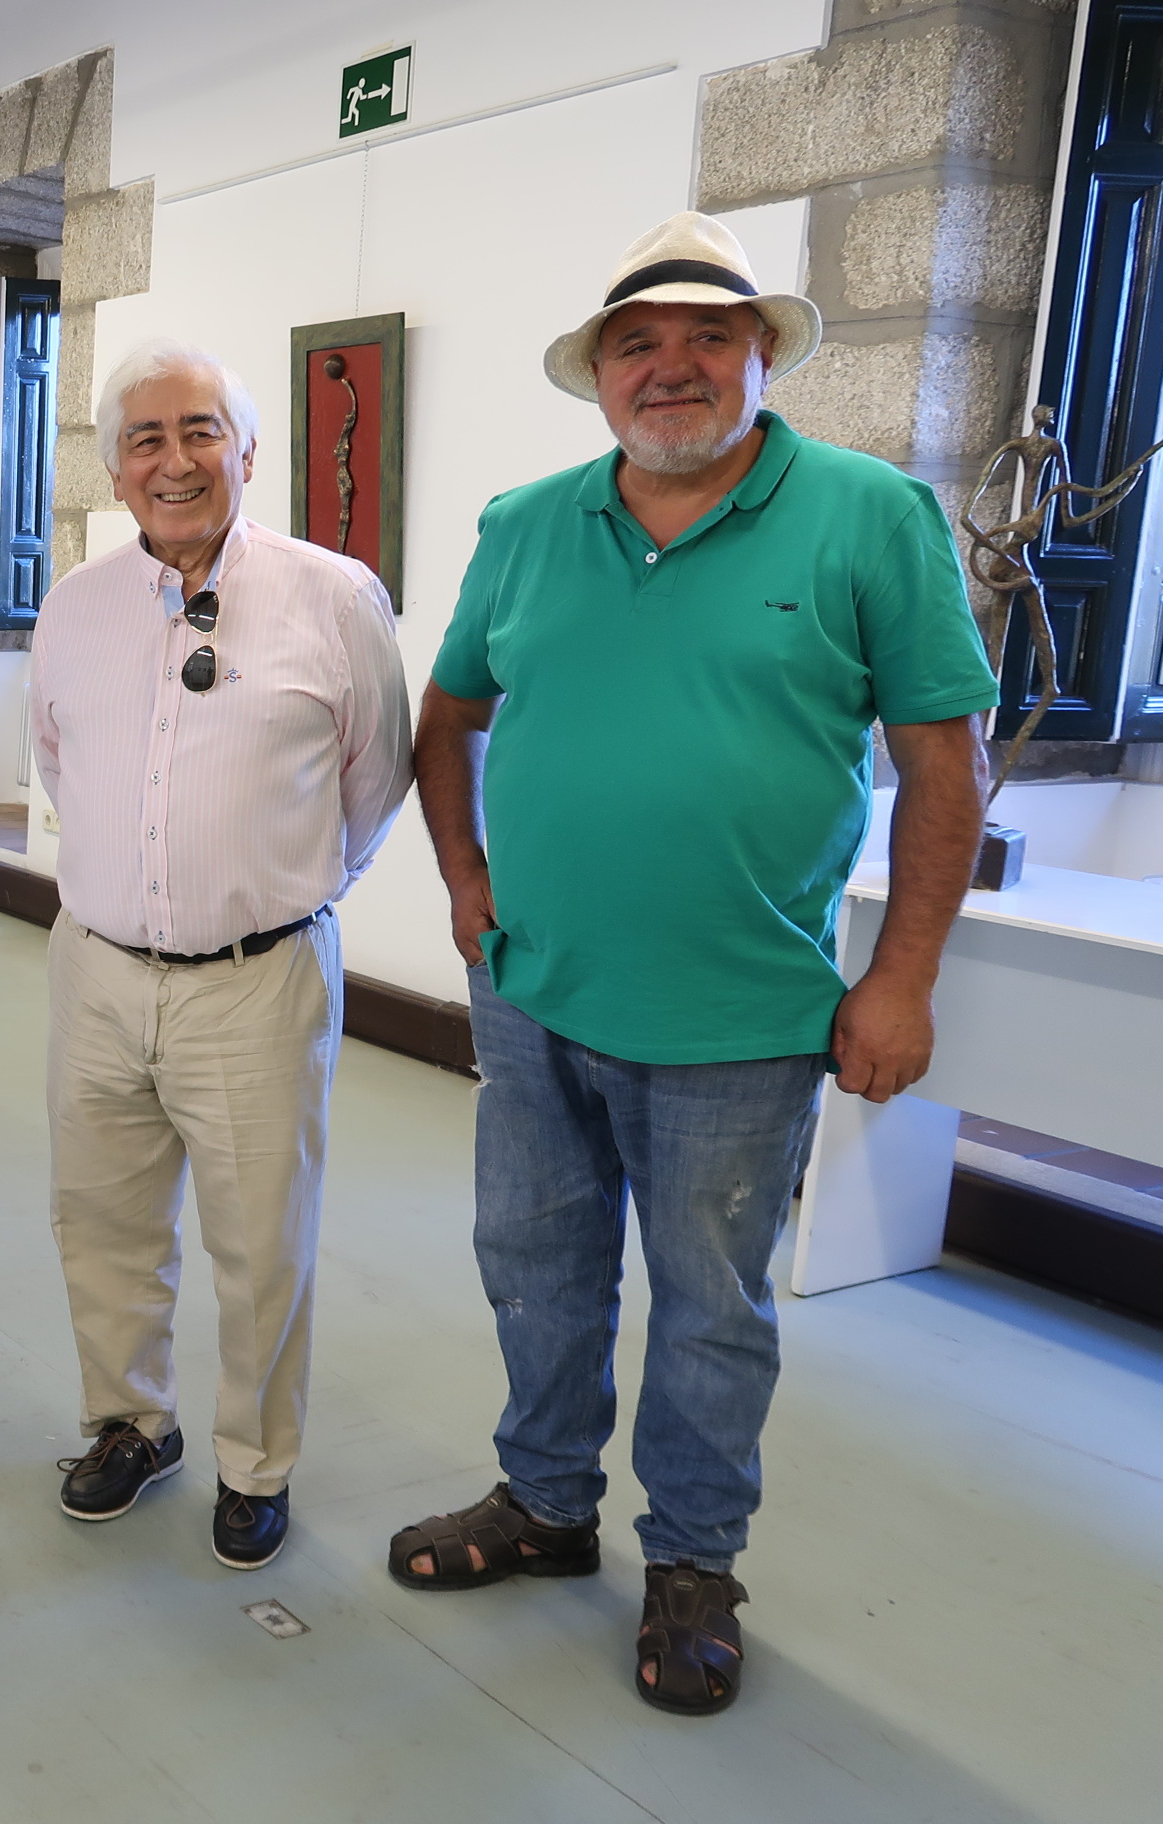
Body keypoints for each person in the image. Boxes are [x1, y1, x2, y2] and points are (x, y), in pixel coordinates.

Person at [388, 212, 997, 1714]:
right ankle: (542, 1506)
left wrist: (903, 976)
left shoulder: (868, 517)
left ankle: (693, 1567)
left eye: (705, 340)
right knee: (535, 1268)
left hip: (744, 1013)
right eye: (637, 345)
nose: (672, 369)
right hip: (535, 991)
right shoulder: (528, 523)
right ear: (598, 376)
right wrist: (464, 881)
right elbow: (448, 716)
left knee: (712, 1301)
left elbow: (945, 768)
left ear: (761, 357)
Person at [29, 339, 411, 1570]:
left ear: (248, 452)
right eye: (144, 438)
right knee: (102, 1224)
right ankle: (131, 1422)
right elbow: (58, 762)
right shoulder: (76, 605)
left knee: (260, 1245)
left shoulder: (333, 597)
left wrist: (278, 897)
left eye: (200, 432)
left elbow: (376, 777)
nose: (174, 460)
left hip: (257, 979)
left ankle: (256, 1464)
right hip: (95, 969)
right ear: (113, 466)